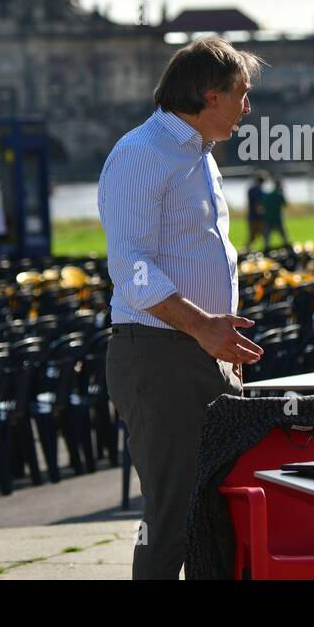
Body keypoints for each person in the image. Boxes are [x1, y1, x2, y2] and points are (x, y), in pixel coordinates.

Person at [98, 36, 265, 580]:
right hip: (156, 355)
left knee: (217, 512)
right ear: (209, 95)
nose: (247, 107)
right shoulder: (141, 153)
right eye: (241, 94)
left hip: (200, 351)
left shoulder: (198, 154)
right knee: (172, 515)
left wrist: (219, 344)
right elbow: (131, 269)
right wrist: (205, 330)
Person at [262, 178, 289, 250]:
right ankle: (287, 247)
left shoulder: (268, 195)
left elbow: (262, 205)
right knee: (284, 237)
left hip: (268, 218)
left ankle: (266, 249)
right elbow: (285, 204)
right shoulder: (279, 195)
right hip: (277, 219)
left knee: (266, 239)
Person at [244, 171, 267, 251]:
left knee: (252, 236)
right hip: (257, 217)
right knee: (264, 234)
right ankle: (265, 250)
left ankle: (246, 248)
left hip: (251, 216)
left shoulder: (251, 189)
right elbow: (258, 205)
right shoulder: (260, 191)